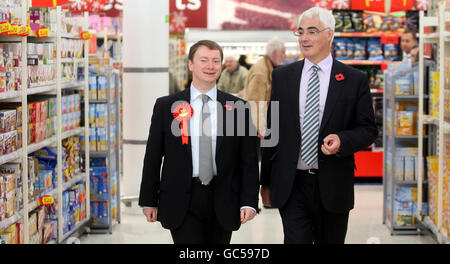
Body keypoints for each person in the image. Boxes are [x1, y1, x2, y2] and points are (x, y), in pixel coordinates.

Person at [260, 7, 378, 244]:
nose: (305, 38)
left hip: (333, 185)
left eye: (312, 32)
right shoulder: (283, 76)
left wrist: (343, 140)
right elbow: (273, 130)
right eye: (301, 32)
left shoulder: (354, 79)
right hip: (292, 184)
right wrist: (266, 182)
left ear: (330, 34)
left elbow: (368, 130)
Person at [138, 40, 259, 244]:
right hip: (181, 198)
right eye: (203, 60)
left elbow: (248, 160)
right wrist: (148, 200)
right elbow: (153, 156)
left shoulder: (237, 107)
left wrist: (249, 201)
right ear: (190, 64)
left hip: (223, 198)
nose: (210, 66)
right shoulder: (166, 106)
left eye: (215, 61)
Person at [243, 38, 286, 139]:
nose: (285, 56)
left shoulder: (268, 67)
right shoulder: (261, 72)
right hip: (257, 129)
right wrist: (261, 128)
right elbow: (255, 102)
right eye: (283, 52)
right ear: (275, 53)